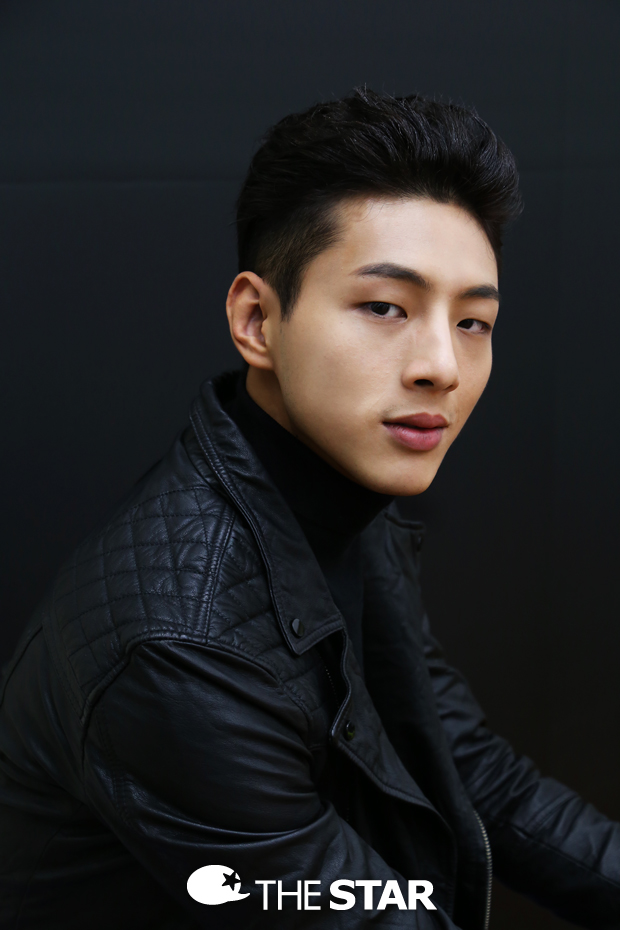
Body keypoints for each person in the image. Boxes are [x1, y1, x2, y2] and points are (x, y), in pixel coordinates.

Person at [0, 88, 618, 930]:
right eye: (385, 307)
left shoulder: (343, 498)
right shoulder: (178, 645)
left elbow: (471, 771)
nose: (442, 365)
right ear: (257, 320)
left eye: (474, 322)